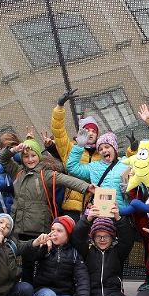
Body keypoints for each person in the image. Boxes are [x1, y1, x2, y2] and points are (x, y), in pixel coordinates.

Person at [0, 138, 91, 277]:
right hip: (20, 227)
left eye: (33, 155)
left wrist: (87, 187)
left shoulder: (45, 174)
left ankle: (40, 290)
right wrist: (13, 150)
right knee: (26, 265)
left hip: (38, 228)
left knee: (41, 264)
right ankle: (28, 291)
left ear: (39, 156)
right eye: (26, 156)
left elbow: (67, 180)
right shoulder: (18, 172)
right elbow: (3, 159)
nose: (30, 159)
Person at [72, 210, 136, 296]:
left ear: (112, 237)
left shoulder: (118, 251)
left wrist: (118, 218)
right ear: (93, 237)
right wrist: (87, 219)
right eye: (98, 236)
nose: (102, 239)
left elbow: (128, 238)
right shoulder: (87, 251)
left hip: (112, 295)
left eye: (106, 236)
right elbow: (76, 237)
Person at [24, 216, 91, 296]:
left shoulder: (74, 253)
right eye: (53, 229)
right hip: (43, 292)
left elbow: (83, 280)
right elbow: (28, 257)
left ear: (68, 235)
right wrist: (38, 245)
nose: (54, 233)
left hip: (63, 293)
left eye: (59, 231)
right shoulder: (45, 247)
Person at [51, 89, 104, 219]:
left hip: (96, 207)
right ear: (81, 133)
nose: (90, 133)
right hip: (72, 208)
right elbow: (58, 131)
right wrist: (60, 106)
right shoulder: (70, 148)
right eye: (87, 130)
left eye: (93, 131)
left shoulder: (102, 153)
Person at [66, 131, 130, 211]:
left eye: (107, 147)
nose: (103, 150)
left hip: (124, 214)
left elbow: (141, 185)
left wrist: (131, 189)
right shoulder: (94, 167)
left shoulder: (126, 163)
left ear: (114, 148)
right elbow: (72, 168)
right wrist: (79, 146)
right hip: (102, 213)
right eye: (100, 149)